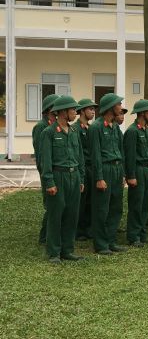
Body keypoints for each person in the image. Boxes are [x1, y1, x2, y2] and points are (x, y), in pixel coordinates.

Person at [39, 95, 85, 263]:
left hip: (74, 176)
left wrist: (81, 178)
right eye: (73, 109)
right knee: (56, 215)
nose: (75, 112)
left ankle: (67, 250)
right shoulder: (49, 133)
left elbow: (80, 157)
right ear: (63, 112)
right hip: (58, 177)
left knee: (72, 215)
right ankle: (54, 252)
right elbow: (46, 160)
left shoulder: (74, 131)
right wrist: (49, 182)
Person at [89, 93, 127, 255]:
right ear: (111, 107)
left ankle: (111, 241)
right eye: (118, 104)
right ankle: (100, 244)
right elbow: (95, 155)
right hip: (104, 170)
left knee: (116, 207)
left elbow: (121, 151)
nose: (121, 107)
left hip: (117, 170)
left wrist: (123, 173)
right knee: (101, 209)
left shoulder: (115, 128)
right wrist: (99, 178)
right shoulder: (96, 127)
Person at [124, 99, 148, 247]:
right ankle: (133, 235)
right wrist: (130, 175)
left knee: (146, 204)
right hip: (138, 170)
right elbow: (130, 155)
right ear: (143, 113)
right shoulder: (132, 131)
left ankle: (142, 233)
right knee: (136, 204)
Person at [33, 93, 60, 244]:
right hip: (47, 171)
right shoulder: (41, 127)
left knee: (55, 204)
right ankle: (44, 237)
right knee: (50, 204)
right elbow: (41, 154)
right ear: (50, 109)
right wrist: (46, 174)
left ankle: (51, 234)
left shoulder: (53, 126)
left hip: (56, 171)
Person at [72, 98, 97, 240]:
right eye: (90, 109)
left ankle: (88, 228)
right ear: (82, 111)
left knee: (90, 200)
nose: (93, 112)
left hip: (91, 167)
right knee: (81, 200)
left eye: (94, 109)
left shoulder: (91, 128)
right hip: (83, 167)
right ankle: (78, 230)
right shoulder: (75, 128)